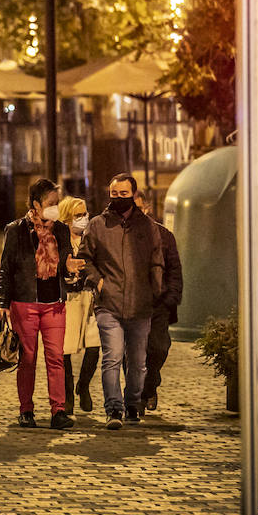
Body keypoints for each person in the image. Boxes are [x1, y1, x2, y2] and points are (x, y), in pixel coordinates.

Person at [77, 173, 167, 429]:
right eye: (114, 194)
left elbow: (157, 261)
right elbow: (85, 259)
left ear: (133, 195)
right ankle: (113, 410)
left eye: (123, 195)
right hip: (109, 303)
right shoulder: (97, 225)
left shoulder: (148, 227)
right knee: (112, 357)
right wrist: (97, 281)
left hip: (140, 305)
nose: (117, 199)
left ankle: (132, 405)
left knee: (138, 363)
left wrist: (154, 289)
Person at [0, 178, 76, 430]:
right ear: (36, 204)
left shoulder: (61, 230)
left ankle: (58, 411)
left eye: (57, 202)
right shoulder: (16, 229)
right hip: (25, 302)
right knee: (27, 358)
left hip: (54, 303)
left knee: (56, 358)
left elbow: (65, 265)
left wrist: (71, 270)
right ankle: (26, 410)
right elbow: (5, 269)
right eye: (51, 203)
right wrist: (3, 302)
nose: (56, 207)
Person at [139, 191, 182, 414]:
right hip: (131, 303)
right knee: (134, 352)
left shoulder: (164, 236)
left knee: (158, 348)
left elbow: (174, 268)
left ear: (146, 207)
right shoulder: (119, 235)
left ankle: (150, 385)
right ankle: (137, 397)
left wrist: (171, 297)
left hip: (159, 303)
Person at [58, 197, 100, 415]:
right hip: (69, 300)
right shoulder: (59, 240)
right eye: (78, 215)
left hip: (89, 297)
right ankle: (67, 396)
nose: (84, 219)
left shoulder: (91, 238)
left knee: (94, 346)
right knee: (64, 350)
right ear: (66, 217)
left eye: (85, 214)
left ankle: (83, 386)